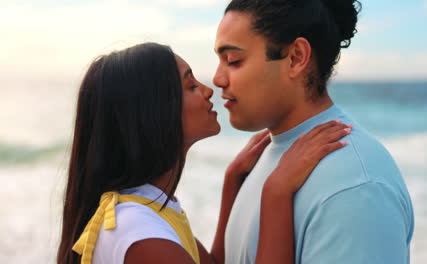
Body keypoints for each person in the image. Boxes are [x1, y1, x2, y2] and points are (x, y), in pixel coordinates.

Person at [56, 42, 351, 264]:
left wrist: (232, 180)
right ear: (155, 112)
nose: (209, 90)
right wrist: (277, 192)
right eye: (190, 85)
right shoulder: (141, 236)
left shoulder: (145, 207)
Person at [212, 0, 414, 263]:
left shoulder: (354, 187)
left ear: (296, 58)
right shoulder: (262, 159)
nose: (217, 78)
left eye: (233, 60)